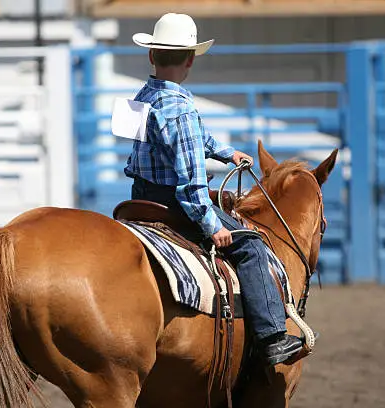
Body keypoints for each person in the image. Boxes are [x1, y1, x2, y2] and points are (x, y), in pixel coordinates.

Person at [123, 13, 302, 366]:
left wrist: (223, 152)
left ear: (150, 56)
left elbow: (181, 140)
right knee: (251, 246)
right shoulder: (182, 109)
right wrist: (212, 226)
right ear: (190, 59)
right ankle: (271, 337)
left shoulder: (145, 95)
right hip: (172, 200)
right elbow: (191, 183)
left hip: (140, 196)